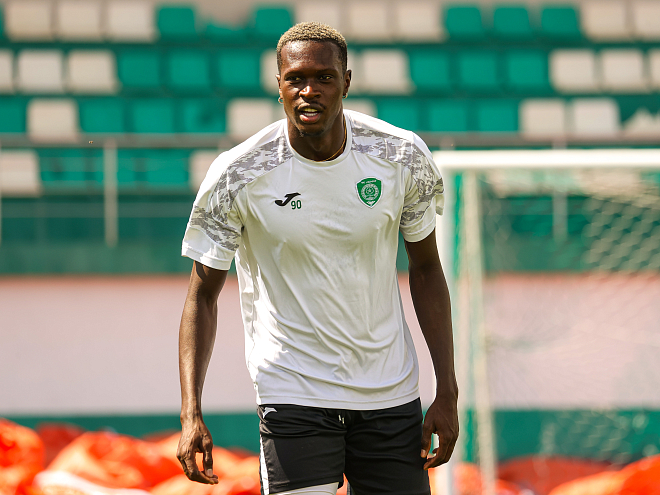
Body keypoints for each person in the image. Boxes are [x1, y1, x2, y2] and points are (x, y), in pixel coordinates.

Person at [176, 22, 458, 495]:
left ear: (346, 81)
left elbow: (427, 270)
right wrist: (191, 413)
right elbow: (201, 296)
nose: (309, 91)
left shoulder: (401, 156)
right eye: (296, 79)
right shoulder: (237, 173)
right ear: (279, 85)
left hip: (390, 393)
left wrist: (446, 389)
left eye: (324, 78)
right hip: (293, 393)